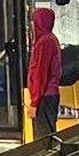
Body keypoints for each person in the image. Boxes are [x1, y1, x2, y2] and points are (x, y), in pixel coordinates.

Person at [26, 8, 61, 139]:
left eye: (34, 23)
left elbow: (40, 74)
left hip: (44, 97)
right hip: (50, 95)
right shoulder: (51, 38)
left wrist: (34, 103)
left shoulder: (43, 42)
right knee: (49, 134)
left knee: (43, 138)